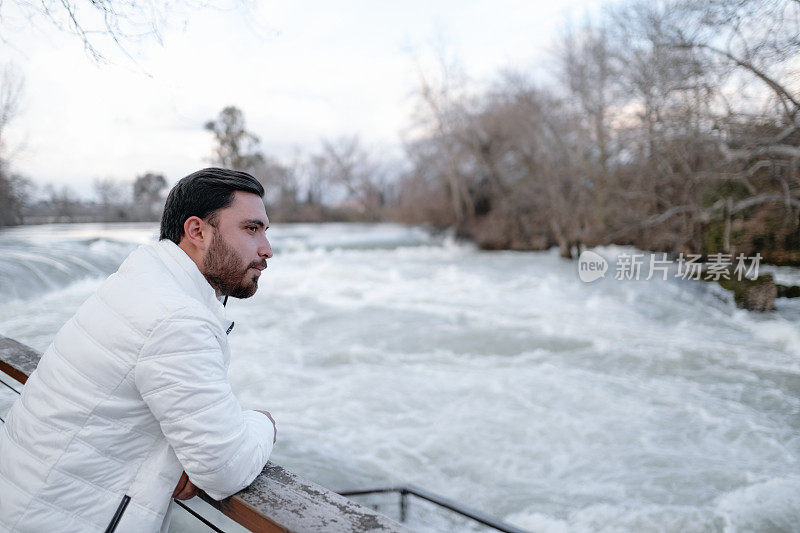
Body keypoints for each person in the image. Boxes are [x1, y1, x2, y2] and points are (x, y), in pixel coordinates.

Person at [0, 168, 277, 532]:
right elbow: (225, 467)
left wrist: (180, 453)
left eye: (265, 232)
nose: (266, 250)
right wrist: (263, 421)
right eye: (251, 229)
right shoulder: (176, 318)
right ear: (197, 231)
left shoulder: (141, 284)